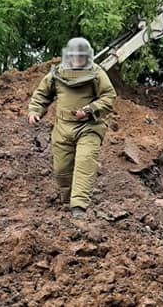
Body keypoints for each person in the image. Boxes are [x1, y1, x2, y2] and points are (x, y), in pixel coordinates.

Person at [27, 37, 117, 218]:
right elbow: (42, 94)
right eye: (74, 56)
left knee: (84, 164)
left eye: (81, 57)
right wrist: (35, 111)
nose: (77, 60)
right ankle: (67, 202)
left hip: (89, 127)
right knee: (62, 170)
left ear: (87, 56)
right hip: (62, 128)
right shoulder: (57, 74)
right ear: (68, 55)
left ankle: (79, 207)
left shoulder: (96, 73)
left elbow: (109, 97)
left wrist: (90, 109)